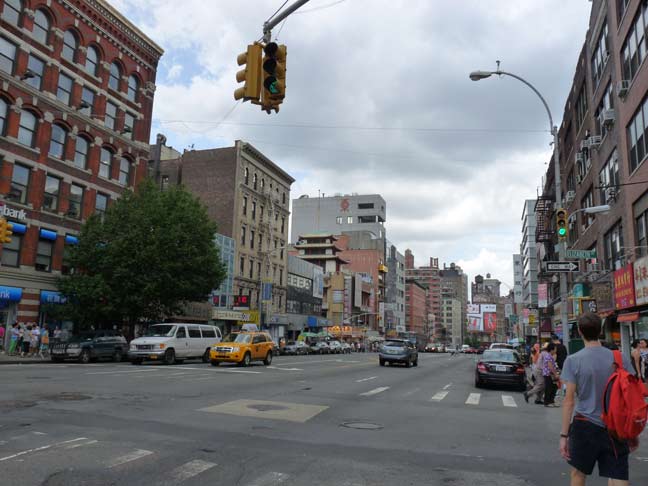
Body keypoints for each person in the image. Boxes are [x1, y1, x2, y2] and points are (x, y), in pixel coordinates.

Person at [559, 312, 635, 485]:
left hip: (584, 424)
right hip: (615, 426)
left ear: (579, 331)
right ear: (600, 330)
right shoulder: (619, 358)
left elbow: (569, 401)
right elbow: (629, 394)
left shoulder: (573, 360)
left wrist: (564, 435)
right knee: (618, 476)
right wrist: (632, 431)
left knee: (578, 474)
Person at [541, 342, 560, 407]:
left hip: (551, 375)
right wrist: (555, 374)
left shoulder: (550, 356)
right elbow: (550, 366)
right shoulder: (548, 356)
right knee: (548, 388)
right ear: (551, 349)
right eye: (555, 349)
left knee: (554, 387)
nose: (556, 350)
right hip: (548, 375)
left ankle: (551, 401)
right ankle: (547, 402)